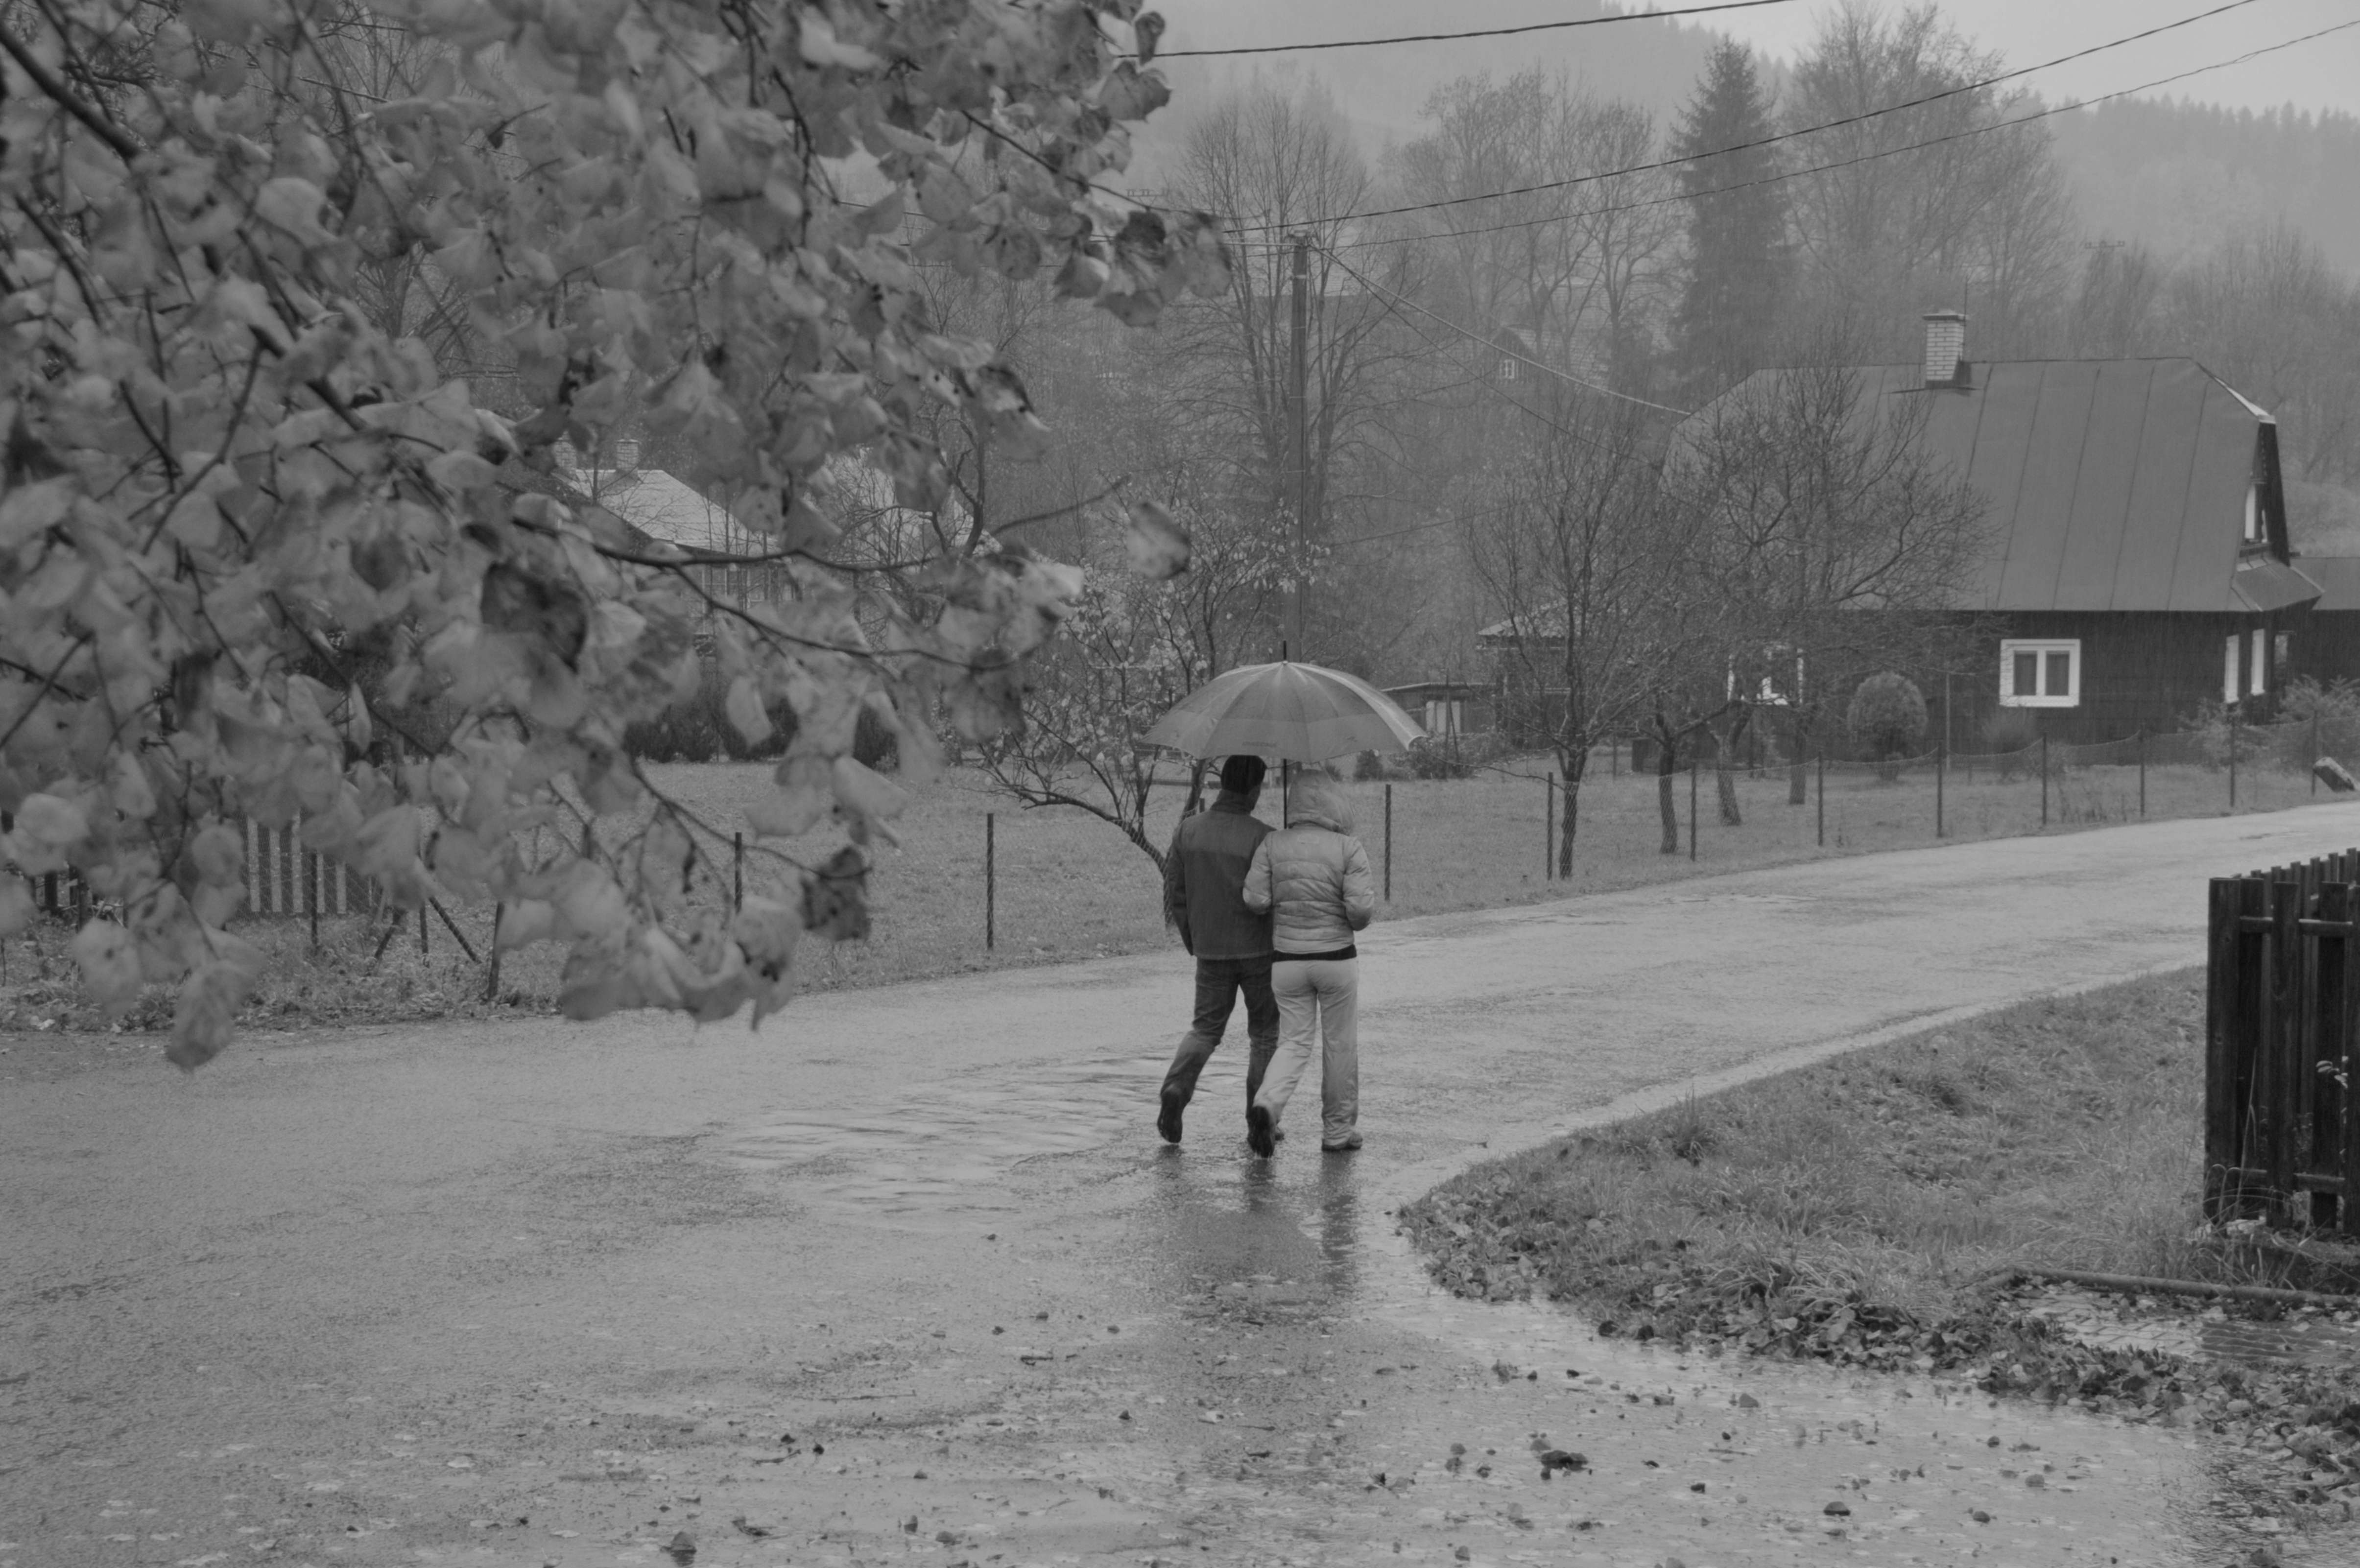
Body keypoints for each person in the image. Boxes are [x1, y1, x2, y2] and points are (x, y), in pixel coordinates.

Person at [1241, 771, 1374, 1157]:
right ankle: (1337, 1132)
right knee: (1340, 1045)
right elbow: (1360, 914)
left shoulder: (1272, 843)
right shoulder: (1348, 847)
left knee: (1293, 1041)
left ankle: (1267, 1103)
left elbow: (1255, 900)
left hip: (1287, 961)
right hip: (1335, 960)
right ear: (1333, 803)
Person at [1156, 755, 1279, 1145]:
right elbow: (1274, 897)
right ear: (1254, 790)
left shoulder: (1188, 831)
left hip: (1210, 947)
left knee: (1205, 1029)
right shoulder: (1265, 837)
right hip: (1259, 950)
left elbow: (1175, 892)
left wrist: (1194, 939)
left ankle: (1176, 1087)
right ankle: (1260, 1118)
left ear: (1222, 783)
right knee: (1264, 1034)